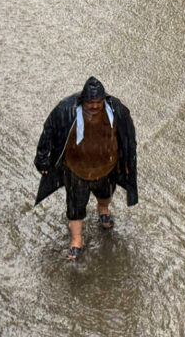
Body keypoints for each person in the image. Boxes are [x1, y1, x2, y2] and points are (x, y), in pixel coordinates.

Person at [34, 77, 138, 259]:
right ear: (83, 100)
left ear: (104, 100)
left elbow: (129, 138)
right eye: (91, 102)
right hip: (76, 169)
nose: (95, 106)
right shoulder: (66, 110)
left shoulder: (117, 110)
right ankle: (76, 240)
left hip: (107, 167)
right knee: (75, 205)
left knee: (106, 194)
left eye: (99, 102)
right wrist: (42, 160)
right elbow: (48, 131)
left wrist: (129, 163)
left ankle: (103, 210)